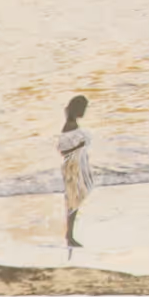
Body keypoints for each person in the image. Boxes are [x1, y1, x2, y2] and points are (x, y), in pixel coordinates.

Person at [58, 95, 94, 251]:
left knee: (75, 200)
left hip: (76, 165)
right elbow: (62, 149)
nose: (84, 112)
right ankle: (69, 235)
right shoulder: (70, 125)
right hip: (72, 166)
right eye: (83, 109)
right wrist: (79, 145)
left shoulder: (72, 123)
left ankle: (70, 235)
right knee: (73, 201)